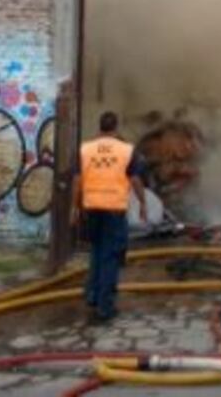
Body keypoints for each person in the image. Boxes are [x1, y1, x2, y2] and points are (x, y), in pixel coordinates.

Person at [73, 111, 148, 324]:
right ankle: (105, 308)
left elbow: (77, 181)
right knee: (111, 257)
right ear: (116, 127)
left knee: (96, 251)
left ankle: (93, 296)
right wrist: (142, 203)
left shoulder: (85, 149)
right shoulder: (126, 150)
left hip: (91, 209)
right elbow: (135, 180)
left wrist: (74, 208)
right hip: (114, 210)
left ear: (100, 127)